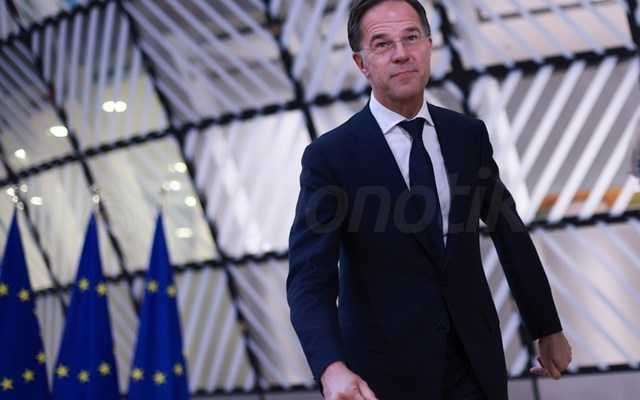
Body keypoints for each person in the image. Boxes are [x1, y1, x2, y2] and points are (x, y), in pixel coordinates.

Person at [286, 1, 572, 399]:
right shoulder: (331, 157)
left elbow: (510, 235)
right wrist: (330, 367)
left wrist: (547, 327)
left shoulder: (467, 136)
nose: (401, 53)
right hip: (383, 379)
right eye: (382, 44)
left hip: (476, 369)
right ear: (361, 63)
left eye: (411, 37)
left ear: (429, 46)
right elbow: (309, 279)